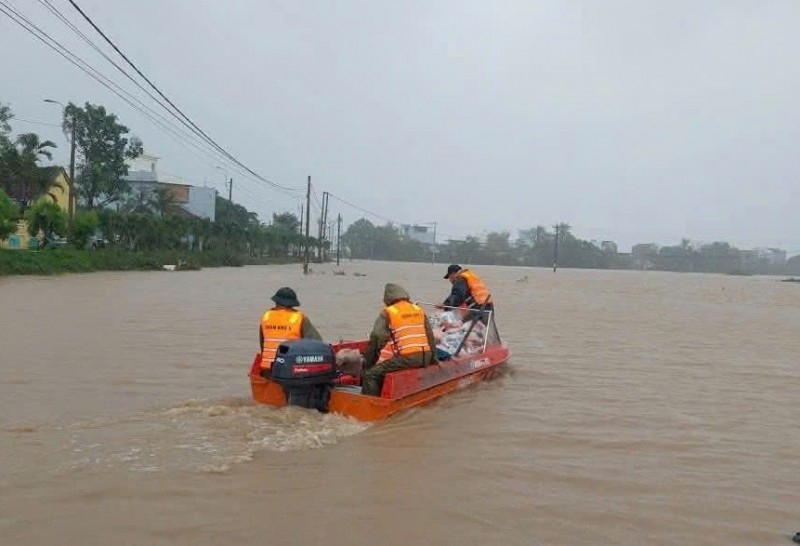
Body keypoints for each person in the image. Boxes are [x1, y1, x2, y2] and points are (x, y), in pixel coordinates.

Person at [362, 283, 437, 396]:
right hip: (425, 356)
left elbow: (377, 337)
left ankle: (371, 405)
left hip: (408, 358)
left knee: (371, 374)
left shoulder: (389, 311)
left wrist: (369, 362)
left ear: (387, 299)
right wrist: (433, 359)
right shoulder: (418, 309)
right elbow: (430, 336)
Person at [259, 287, 322, 373]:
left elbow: (262, 344)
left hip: (268, 370)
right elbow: (317, 344)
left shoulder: (266, 317)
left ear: (276, 301)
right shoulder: (299, 317)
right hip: (290, 370)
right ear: (292, 304)